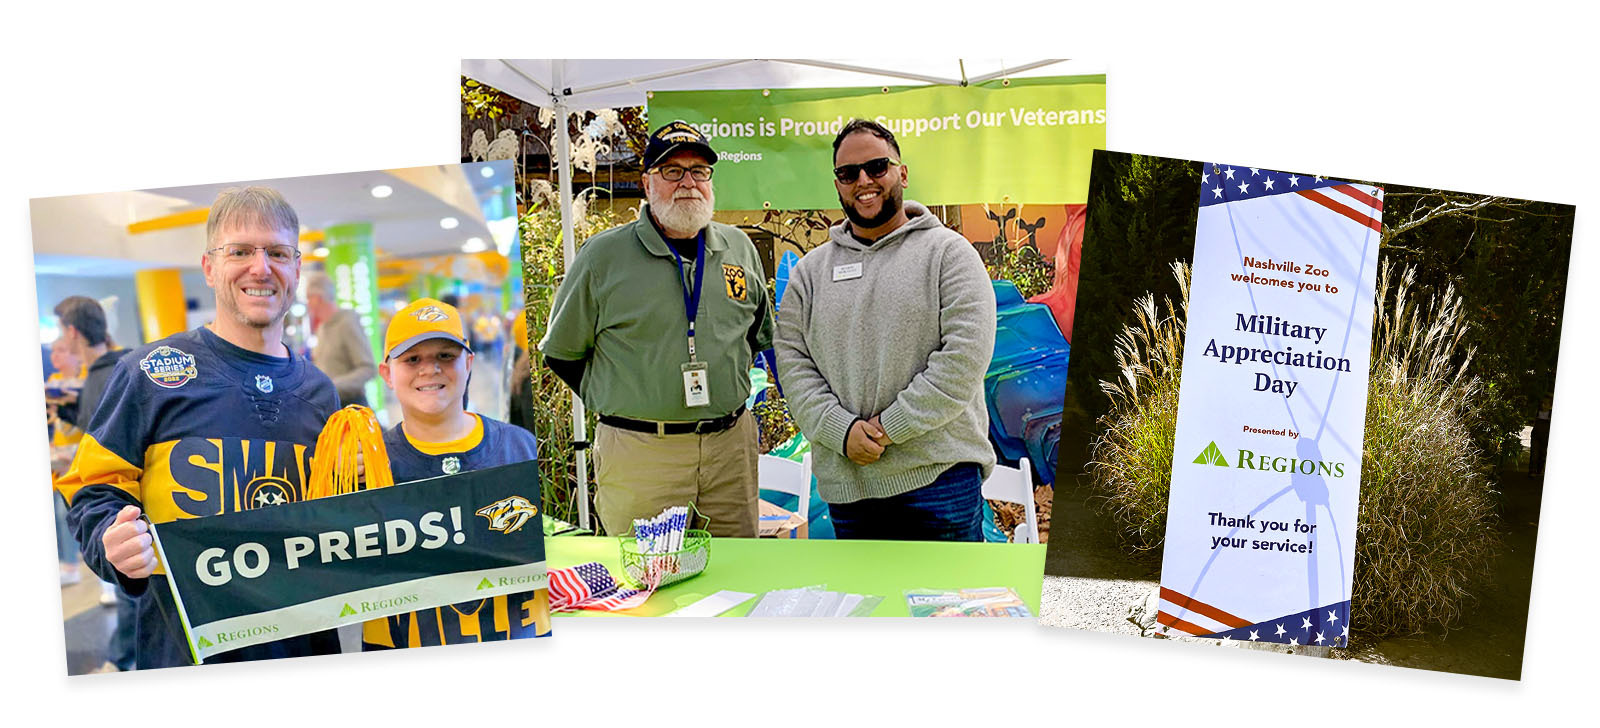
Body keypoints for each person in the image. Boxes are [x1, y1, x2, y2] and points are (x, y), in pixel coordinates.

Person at [56, 186, 342, 669]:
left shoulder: (320, 392)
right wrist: (111, 537)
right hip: (183, 652)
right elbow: (91, 491)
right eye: (240, 251)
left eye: (277, 252)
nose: (260, 267)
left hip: (300, 646)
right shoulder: (149, 372)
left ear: (296, 269)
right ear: (210, 268)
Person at [540, 120, 773, 538]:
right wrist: (624, 400)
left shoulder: (739, 248)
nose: (688, 182)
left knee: (738, 579)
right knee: (645, 588)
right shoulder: (602, 257)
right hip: (641, 455)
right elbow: (561, 352)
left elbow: (756, 337)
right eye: (672, 171)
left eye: (699, 171)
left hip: (729, 452)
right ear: (647, 184)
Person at [774, 119, 997, 541]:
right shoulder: (809, 274)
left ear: (903, 173)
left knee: (949, 607)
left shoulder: (949, 254)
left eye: (877, 166)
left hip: (940, 483)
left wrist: (887, 428)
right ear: (838, 184)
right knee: (866, 607)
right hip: (850, 492)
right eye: (848, 173)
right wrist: (842, 432)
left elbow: (964, 359)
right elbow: (793, 364)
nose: (863, 181)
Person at [360, 298, 549, 649]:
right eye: (412, 359)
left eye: (446, 356)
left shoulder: (520, 449)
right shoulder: (368, 468)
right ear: (387, 373)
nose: (429, 369)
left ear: (469, 364)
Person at [303, 271, 377, 407]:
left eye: (309, 298)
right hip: (331, 407)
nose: (308, 304)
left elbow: (368, 368)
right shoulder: (322, 328)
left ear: (318, 298)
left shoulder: (347, 323)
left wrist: (331, 386)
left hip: (352, 407)